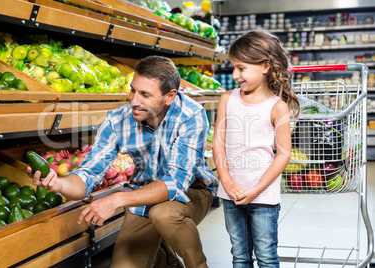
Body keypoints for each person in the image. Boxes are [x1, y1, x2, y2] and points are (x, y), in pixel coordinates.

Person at [27, 55, 218, 268]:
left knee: (164, 214)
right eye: (133, 90)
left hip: (191, 194)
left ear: (170, 96)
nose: (134, 101)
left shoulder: (191, 115)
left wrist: (117, 200)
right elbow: (88, 174)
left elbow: (175, 183)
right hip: (141, 200)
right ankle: (167, 260)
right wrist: (59, 184)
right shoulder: (117, 120)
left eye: (145, 94)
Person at [212, 29, 299, 268]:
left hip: (264, 196)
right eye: (233, 67)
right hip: (231, 194)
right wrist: (227, 182)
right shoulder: (227, 99)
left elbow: (283, 155)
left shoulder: (277, 107)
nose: (235, 74)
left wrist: (256, 190)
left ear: (265, 66)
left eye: (241, 68)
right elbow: (218, 144)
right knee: (239, 256)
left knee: (266, 256)